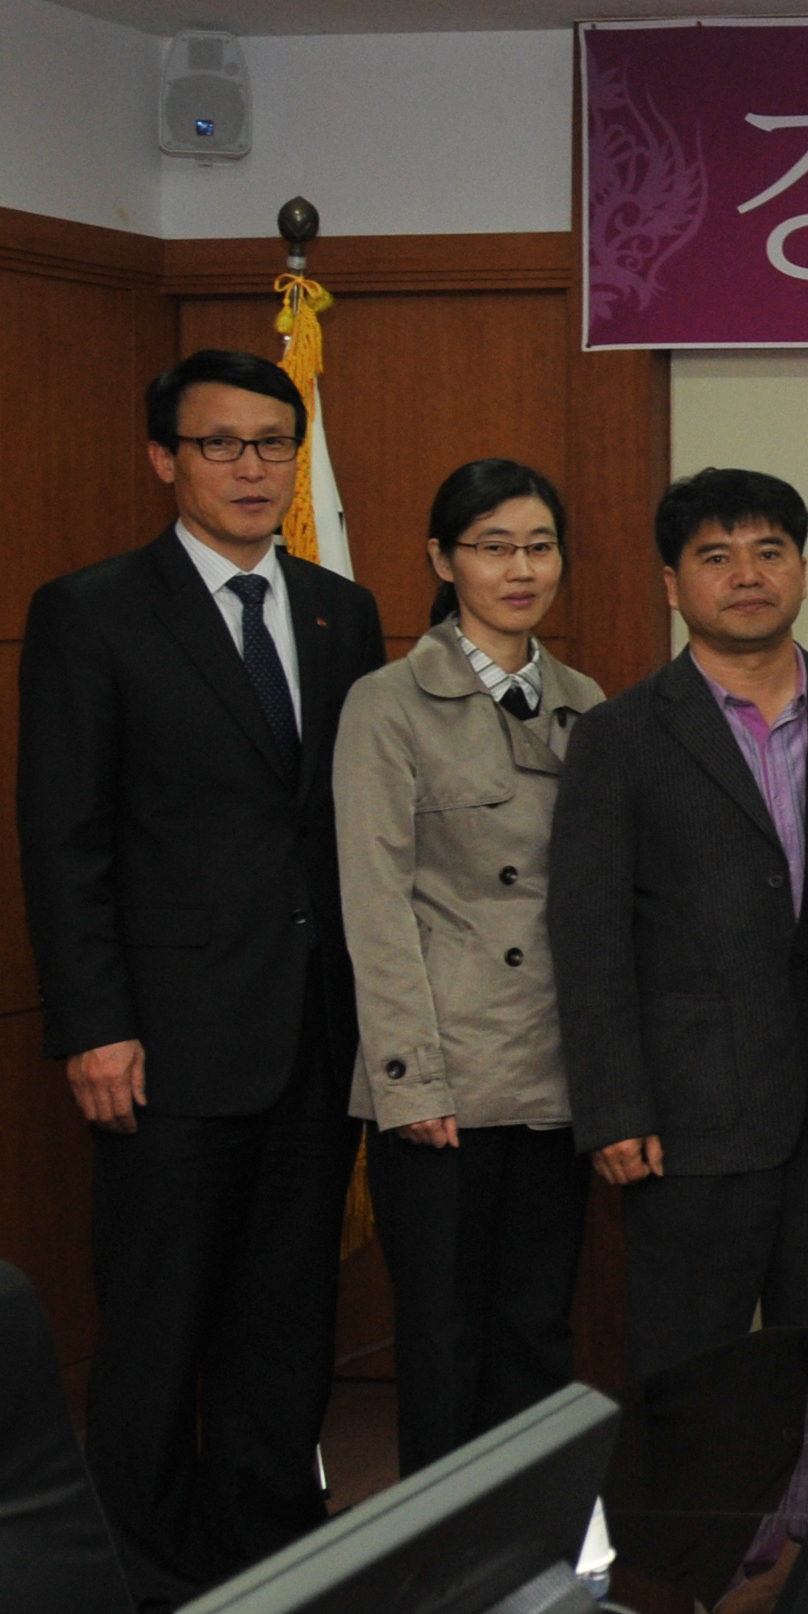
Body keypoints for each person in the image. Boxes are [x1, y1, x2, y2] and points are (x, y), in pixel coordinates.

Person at [16, 350, 385, 1600]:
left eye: (274, 443)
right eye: (220, 443)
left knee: (286, 1323)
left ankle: (269, 1563)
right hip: (163, 1043)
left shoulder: (340, 610)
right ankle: (141, 1588)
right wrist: (93, 1024)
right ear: (163, 458)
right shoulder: (93, 611)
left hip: (315, 1033)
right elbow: (64, 837)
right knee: (158, 1325)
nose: (251, 467)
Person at [550, 470, 808, 1383]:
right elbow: (590, 933)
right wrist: (613, 1106)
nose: (747, 575)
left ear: (802, 569)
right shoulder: (619, 736)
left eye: (770, 551)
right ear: (672, 583)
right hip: (689, 1114)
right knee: (690, 1374)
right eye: (716, 557)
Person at [338, 458, 606, 1476]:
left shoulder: (584, 700)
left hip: (552, 1073)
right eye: (493, 547)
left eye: (539, 546)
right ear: (443, 561)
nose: (520, 569)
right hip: (445, 1075)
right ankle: (439, 1557)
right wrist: (410, 1080)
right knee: (444, 1341)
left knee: (536, 1332)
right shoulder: (388, 702)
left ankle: (533, 1543)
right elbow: (375, 903)